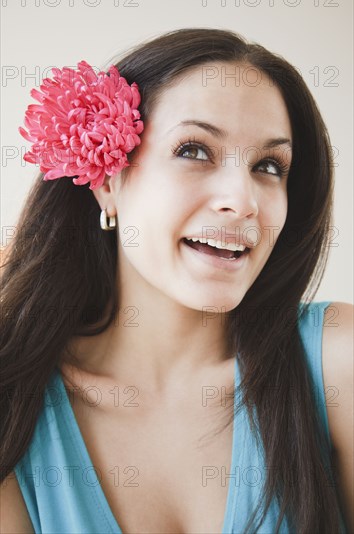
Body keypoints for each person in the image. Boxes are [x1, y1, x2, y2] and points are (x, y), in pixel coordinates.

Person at [0, 27, 353, 534]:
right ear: (106, 181)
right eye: (195, 150)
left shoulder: (337, 362)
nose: (243, 199)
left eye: (269, 165)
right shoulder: (16, 411)